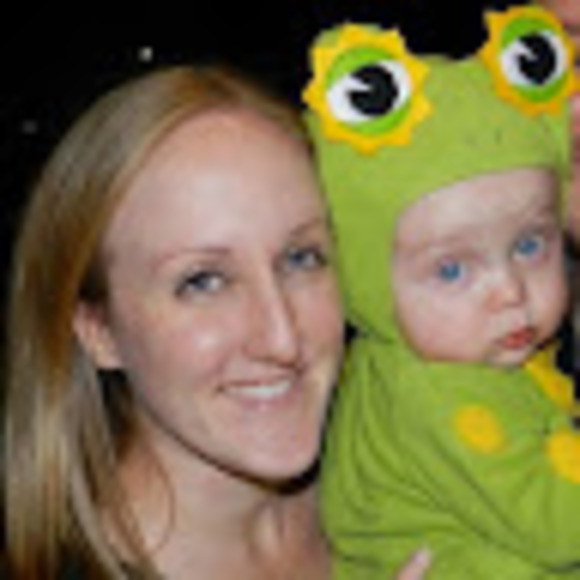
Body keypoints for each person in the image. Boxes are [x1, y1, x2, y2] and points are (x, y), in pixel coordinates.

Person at [2, 65, 432, 579]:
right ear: (99, 331)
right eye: (203, 281)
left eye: (301, 258)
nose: (282, 338)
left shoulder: (411, 488)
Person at [304, 4, 579, 578]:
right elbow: (559, 523)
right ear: (366, 279)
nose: (510, 291)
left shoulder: (457, 352)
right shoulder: (435, 392)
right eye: (452, 271)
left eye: (530, 245)